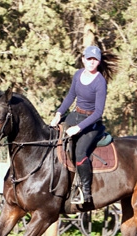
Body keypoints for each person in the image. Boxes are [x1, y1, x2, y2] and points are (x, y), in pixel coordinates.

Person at [50, 45, 118, 204]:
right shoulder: (78, 74)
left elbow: (98, 113)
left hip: (91, 123)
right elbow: (71, 96)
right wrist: (58, 114)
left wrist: (78, 128)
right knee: (55, 135)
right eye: (89, 59)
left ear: (99, 62)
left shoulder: (100, 82)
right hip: (75, 115)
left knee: (80, 152)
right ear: (83, 59)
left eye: (95, 60)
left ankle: (85, 191)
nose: (91, 62)